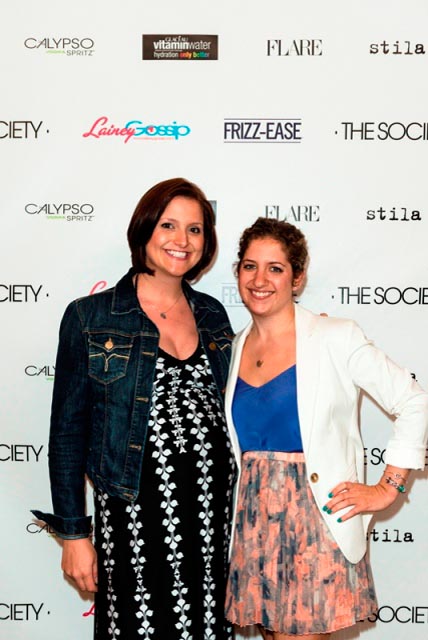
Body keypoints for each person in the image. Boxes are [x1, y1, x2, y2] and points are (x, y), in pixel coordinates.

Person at [32, 178, 237, 639]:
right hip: (133, 523)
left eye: (195, 229)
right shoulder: (91, 316)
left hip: (211, 523)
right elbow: (67, 435)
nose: (182, 240)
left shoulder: (212, 315)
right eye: (168, 225)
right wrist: (74, 535)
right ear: (144, 228)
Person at [224, 217, 428, 640]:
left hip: (315, 521)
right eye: (250, 266)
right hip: (254, 522)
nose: (260, 280)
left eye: (275, 268)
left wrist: (389, 487)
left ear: (297, 278)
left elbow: (414, 401)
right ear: (238, 272)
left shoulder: (335, 336)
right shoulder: (236, 345)